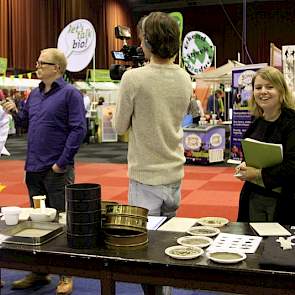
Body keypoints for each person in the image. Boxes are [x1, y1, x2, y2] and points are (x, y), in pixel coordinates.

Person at [114, 12, 192, 294]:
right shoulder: (185, 77)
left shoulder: (134, 78)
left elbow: (119, 125)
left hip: (145, 176)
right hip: (175, 173)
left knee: (145, 252)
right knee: (167, 245)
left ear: (147, 42)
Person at [2, 48, 86, 295]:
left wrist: (61, 163)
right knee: (37, 224)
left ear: (57, 68)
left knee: (60, 222)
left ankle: (65, 275)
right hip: (34, 168)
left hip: (56, 170)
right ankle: (39, 272)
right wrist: (14, 111)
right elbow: (25, 122)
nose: (37, 66)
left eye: (42, 63)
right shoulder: (35, 94)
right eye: (37, 62)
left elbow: (78, 130)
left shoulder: (71, 94)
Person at [235, 66, 295, 224]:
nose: (263, 91)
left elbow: (293, 166)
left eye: (270, 87)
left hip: (284, 199)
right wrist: (245, 166)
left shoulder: (292, 123)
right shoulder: (256, 122)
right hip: (254, 195)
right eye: (258, 87)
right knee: (254, 241)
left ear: (281, 91)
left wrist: (257, 174)